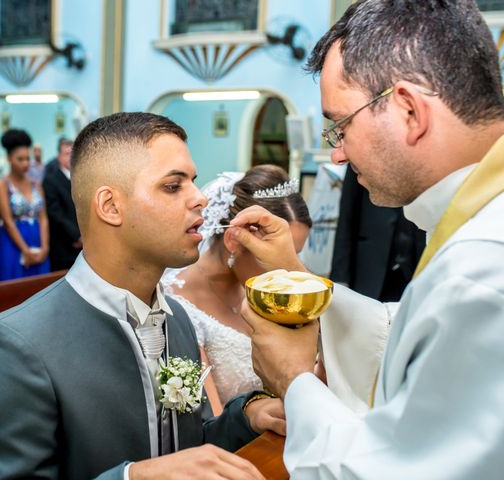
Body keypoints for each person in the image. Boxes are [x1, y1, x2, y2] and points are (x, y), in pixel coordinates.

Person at [236, 1, 504, 478]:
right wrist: (299, 280)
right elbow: (409, 332)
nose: (336, 154)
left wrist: (294, 380)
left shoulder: (481, 269)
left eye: (341, 124)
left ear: (407, 110)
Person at [0, 112, 284, 480]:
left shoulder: (178, 319)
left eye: (194, 182)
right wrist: (132, 478)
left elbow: (182, 453)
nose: (200, 198)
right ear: (110, 206)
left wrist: (244, 418)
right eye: (173, 186)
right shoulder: (15, 347)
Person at [165, 165, 311, 412]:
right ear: (235, 240)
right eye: (278, 255)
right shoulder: (174, 308)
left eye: (294, 256)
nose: (289, 272)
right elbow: (206, 421)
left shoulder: (264, 290)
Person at [331, 165, 425, 301]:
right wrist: (340, 278)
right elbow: (347, 215)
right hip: (369, 263)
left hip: (415, 264)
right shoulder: (360, 149)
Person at [0, 129, 50, 281]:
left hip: (37, 239)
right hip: (14, 244)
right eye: (20, 159)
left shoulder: (36, 184)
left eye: (27, 158)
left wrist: (45, 246)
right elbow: (8, 221)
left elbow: (43, 218)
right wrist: (25, 250)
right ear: (9, 158)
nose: (25, 163)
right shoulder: (2, 185)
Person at [42, 136, 81, 271]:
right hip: (64, 244)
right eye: (66, 154)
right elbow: (55, 213)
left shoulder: (81, 178)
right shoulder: (51, 180)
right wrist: (76, 236)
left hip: (84, 245)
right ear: (58, 157)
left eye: (73, 153)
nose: (70, 157)